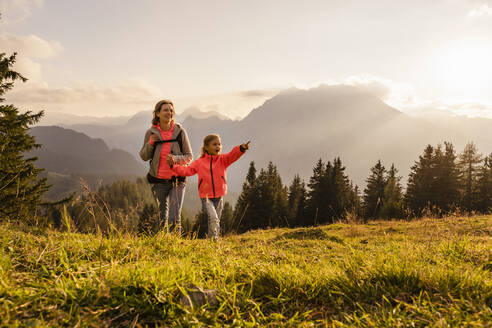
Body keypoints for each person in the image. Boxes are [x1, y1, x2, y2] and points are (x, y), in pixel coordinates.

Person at [169, 134, 250, 240]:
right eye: (214, 144)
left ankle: (212, 241)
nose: (218, 147)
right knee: (213, 218)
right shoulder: (199, 162)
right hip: (206, 197)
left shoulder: (223, 160)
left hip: (219, 196)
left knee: (215, 220)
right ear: (206, 147)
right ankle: (214, 241)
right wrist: (173, 166)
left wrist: (241, 148)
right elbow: (186, 171)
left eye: (219, 144)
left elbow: (232, 155)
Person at [139, 99, 192, 234]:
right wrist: (150, 144)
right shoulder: (151, 133)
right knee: (162, 217)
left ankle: (175, 248)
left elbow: (189, 156)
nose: (169, 112)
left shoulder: (180, 132)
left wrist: (175, 159)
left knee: (174, 217)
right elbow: (144, 156)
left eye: (171, 110)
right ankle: (164, 247)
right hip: (157, 181)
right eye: (165, 110)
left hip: (177, 180)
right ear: (157, 113)